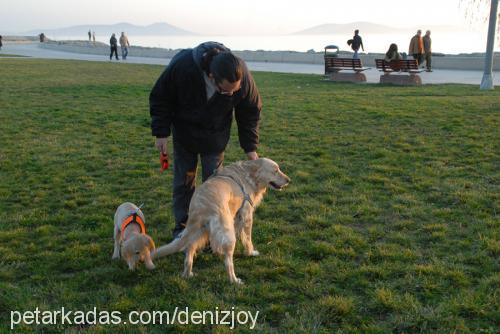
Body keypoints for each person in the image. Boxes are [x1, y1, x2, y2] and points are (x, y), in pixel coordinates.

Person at [149, 41, 262, 239]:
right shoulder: (183, 66)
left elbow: (249, 111)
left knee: (216, 188)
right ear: (212, 77)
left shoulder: (240, 73)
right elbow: (161, 97)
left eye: (235, 91)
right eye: (227, 91)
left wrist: (250, 147)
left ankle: (213, 230)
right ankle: (183, 230)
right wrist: (161, 133)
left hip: (215, 137)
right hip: (185, 134)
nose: (231, 95)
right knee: (184, 183)